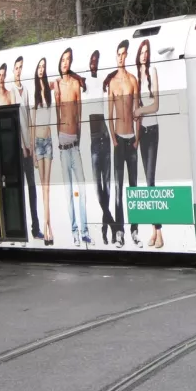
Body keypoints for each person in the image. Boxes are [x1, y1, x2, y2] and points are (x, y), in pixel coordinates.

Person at [107, 39, 142, 248]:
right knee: (119, 187)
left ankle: (135, 230)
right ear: (116, 56)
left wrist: (137, 138)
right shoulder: (112, 83)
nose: (121, 57)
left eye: (123, 54)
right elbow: (109, 114)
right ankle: (119, 230)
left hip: (131, 139)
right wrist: (113, 138)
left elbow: (137, 110)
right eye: (118, 54)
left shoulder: (132, 80)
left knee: (134, 187)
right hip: (119, 139)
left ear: (126, 55)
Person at [55, 48, 90, 246]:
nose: (65, 62)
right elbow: (56, 113)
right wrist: (57, 139)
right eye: (63, 59)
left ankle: (84, 230)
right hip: (62, 142)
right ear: (60, 64)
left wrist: (79, 138)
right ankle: (74, 231)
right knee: (68, 191)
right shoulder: (57, 86)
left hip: (74, 143)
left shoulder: (76, 84)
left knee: (82, 188)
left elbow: (79, 114)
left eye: (68, 59)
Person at [134, 39, 163, 248]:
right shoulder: (136, 76)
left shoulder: (152, 71)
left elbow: (156, 105)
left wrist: (139, 111)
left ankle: (159, 232)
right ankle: (154, 231)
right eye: (141, 52)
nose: (144, 55)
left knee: (151, 180)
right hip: (141, 132)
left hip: (152, 131)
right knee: (147, 182)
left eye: (146, 51)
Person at [12, 56, 42, 240]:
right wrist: (23, 146)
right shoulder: (12, 92)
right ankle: (22, 229)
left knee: (32, 188)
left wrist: (31, 145)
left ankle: (35, 227)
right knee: (21, 190)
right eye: (16, 67)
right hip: (19, 150)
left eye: (21, 67)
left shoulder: (26, 90)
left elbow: (29, 120)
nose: (19, 70)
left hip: (28, 150)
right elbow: (14, 122)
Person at [87, 50, 114, 245]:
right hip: (94, 141)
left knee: (107, 185)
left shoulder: (104, 82)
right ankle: (110, 222)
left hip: (104, 138)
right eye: (91, 60)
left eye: (96, 60)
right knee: (98, 186)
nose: (93, 63)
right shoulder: (85, 83)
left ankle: (106, 226)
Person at [33, 57, 54, 246]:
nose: (41, 69)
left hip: (48, 141)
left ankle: (48, 228)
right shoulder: (34, 93)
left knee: (47, 188)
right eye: (39, 67)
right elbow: (32, 122)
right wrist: (32, 148)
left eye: (43, 67)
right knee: (43, 187)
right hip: (38, 142)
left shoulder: (48, 91)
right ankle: (48, 228)